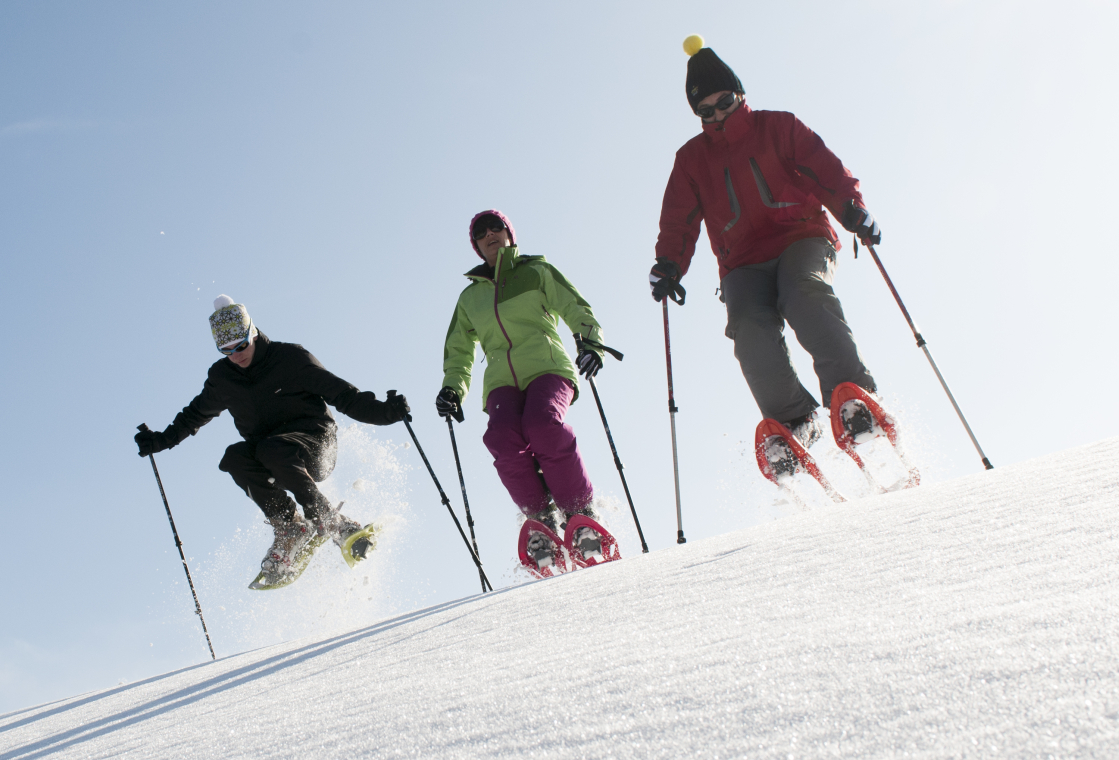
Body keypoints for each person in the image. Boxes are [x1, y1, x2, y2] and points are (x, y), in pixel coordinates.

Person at [648, 37, 887, 459]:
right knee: (747, 327)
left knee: (803, 293)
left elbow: (823, 167)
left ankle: (853, 401)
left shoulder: (777, 126)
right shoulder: (691, 159)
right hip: (741, 263)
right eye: (706, 109)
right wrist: (668, 264)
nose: (718, 113)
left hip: (801, 237)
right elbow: (679, 218)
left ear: (739, 93)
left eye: (724, 101)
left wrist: (851, 209)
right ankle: (796, 422)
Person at [135, 295, 409, 579]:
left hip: (315, 444)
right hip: (272, 453)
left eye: (241, 344)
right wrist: (160, 441)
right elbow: (194, 415)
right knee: (235, 458)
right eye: (226, 350)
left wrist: (384, 412)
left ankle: (331, 521)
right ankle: (290, 526)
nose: (237, 354)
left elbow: (342, 394)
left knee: (271, 448)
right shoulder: (222, 378)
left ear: (252, 331)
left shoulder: (290, 358)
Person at [435, 209, 615, 572]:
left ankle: (579, 511)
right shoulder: (470, 299)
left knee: (542, 423)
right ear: (476, 245)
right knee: (501, 437)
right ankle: (542, 522)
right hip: (501, 381)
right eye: (481, 232)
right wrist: (453, 389)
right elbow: (459, 351)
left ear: (509, 234)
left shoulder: (537, 272)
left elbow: (574, 306)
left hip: (547, 367)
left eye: (496, 227)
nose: (490, 234)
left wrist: (591, 344)